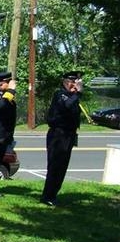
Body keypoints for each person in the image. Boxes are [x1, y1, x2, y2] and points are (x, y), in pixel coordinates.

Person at [41, 70, 84, 206]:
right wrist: (78, 92)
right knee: (55, 166)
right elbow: (67, 105)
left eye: (76, 83)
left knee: (62, 167)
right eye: (73, 82)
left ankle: (53, 194)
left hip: (68, 135)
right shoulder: (60, 94)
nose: (75, 85)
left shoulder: (72, 96)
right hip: (58, 135)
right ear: (66, 82)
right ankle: (47, 196)